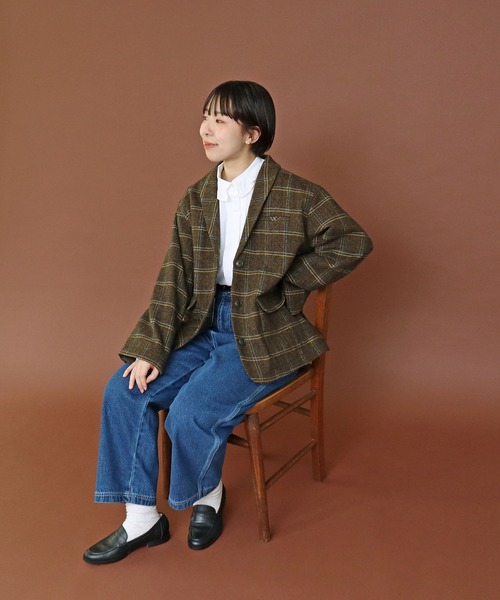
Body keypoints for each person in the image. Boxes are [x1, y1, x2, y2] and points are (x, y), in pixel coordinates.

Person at [83, 80, 373, 564]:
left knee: (189, 412)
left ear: (253, 133)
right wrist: (150, 348)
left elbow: (352, 241)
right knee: (124, 390)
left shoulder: (295, 193)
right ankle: (141, 519)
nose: (206, 128)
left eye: (220, 120)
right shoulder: (196, 198)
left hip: (263, 331)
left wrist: (288, 283)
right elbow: (173, 279)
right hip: (200, 325)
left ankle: (207, 495)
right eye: (205, 117)